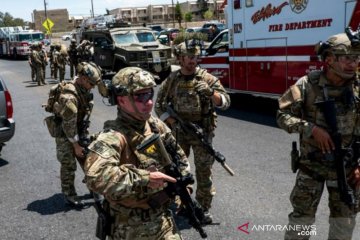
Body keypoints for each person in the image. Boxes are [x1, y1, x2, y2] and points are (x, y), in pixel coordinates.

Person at [84, 67, 189, 239]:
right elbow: (95, 177)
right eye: (140, 96)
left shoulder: (155, 126)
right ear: (121, 100)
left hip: (163, 221)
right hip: (130, 229)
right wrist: (145, 178)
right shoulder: (112, 137)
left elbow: (179, 157)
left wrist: (184, 186)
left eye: (150, 95)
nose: (148, 102)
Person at [277, 32, 360, 239]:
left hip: (347, 171)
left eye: (356, 58)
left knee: (343, 226)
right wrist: (311, 129)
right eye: (346, 58)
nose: (353, 64)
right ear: (329, 59)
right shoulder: (307, 85)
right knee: (301, 225)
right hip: (311, 169)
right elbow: (282, 115)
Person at [155, 39, 231, 224]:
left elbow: (226, 102)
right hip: (179, 132)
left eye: (195, 57)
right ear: (180, 59)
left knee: (204, 172)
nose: (193, 60)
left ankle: (203, 208)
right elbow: (159, 105)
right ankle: (182, 203)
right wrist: (171, 121)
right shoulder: (172, 80)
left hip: (202, 133)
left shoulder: (207, 79)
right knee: (178, 172)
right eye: (189, 57)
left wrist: (211, 94)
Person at [53, 62, 102, 207]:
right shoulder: (69, 98)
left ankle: (93, 188)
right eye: (91, 83)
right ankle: (69, 194)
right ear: (83, 79)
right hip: (65, 133)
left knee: (88, 158)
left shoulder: (82, 89)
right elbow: (68, 126)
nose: (92, 87)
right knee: (68, 165)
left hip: (78, 128)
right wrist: (75, 145)